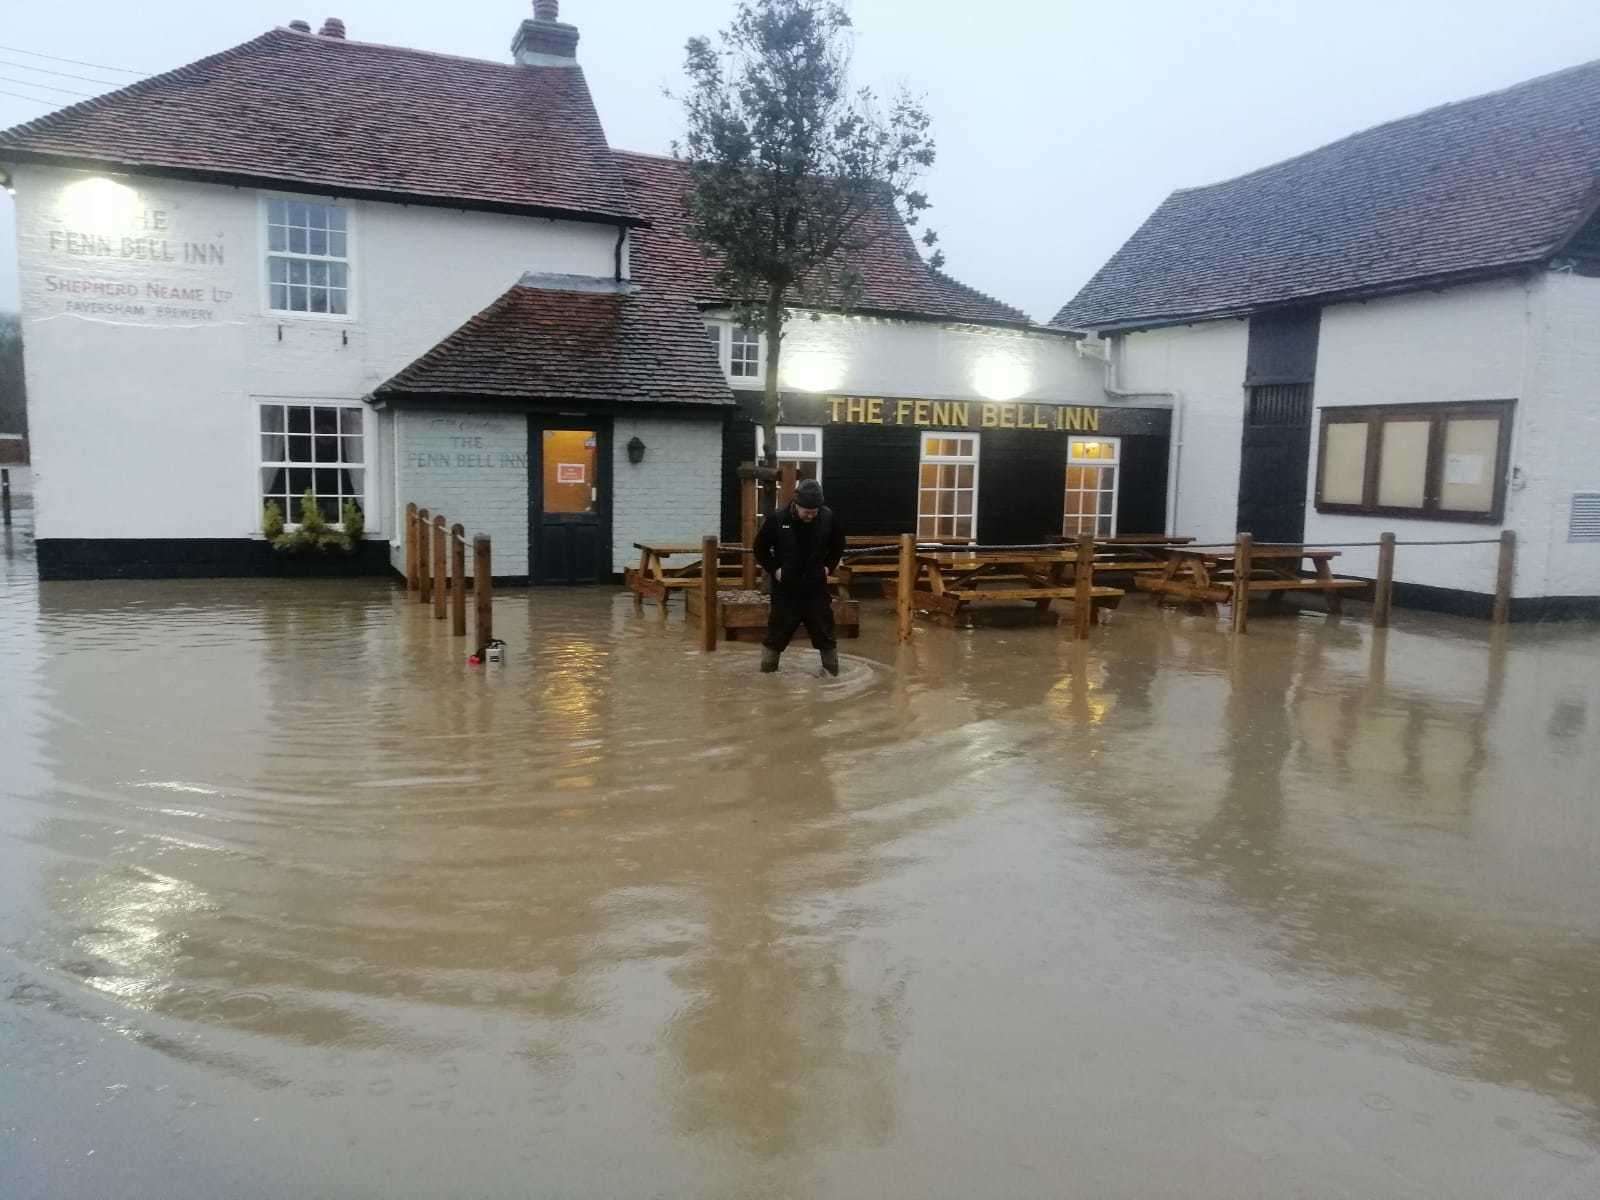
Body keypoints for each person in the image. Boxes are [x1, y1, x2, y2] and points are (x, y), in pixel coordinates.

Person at [752, 477, 846, 676]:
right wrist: (775, 569)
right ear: (796, 504)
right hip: (787, 590)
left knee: (825, 634)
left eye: (814, 512)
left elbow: (838, 545)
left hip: (815, 589)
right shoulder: (778, 519)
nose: (811, 516)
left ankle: (832, 674)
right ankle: (767, 675)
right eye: (807, 512)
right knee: (776, 635)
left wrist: (828, 568)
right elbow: (759, 548)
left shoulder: (828, 518)